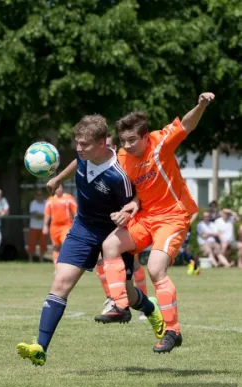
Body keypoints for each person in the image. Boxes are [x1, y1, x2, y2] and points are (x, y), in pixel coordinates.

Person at [17, 114, 164, 366]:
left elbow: (136, 206)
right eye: (77, 142)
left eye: (84, 144)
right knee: (61, 282)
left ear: (101, 144)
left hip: (114, 235)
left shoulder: (119, 175)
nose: (78, 148)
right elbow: (76, 163)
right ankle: (40, 347)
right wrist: (58, 178)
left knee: (127, 296)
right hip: (83, 229)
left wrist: (125, 214)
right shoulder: (84, 157)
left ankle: (150, 309)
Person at [94, 92, 215, 354]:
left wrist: (201, 105)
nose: (126, 146)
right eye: (123, 141)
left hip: (173, 215)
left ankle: (173, 331)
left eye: (132, 140)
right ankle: (120, 305)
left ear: (145, 136)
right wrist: (132, 206)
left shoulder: (161, 143)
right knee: (109, 245)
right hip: (146, 217)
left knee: (156, 269)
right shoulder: (122, 160)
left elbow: (187, 124)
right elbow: (133, 191)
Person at [96, 133, 149, 318]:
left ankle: (145, 302)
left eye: (110, 145)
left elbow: (140, 192)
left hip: (129, 222)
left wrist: (127, 211)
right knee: (101, 261)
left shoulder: (125, 165)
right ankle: (112, 297)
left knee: (133, 265)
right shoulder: (97, 166)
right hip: (106, 221)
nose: (107, 149)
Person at [43, 183, 77, 268]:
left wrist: (77, 224)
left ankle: (66, 265)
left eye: (59, 187)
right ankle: (56, 267)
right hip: (54, 227)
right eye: (56, 188)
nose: (58, 189)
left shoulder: (68, 198)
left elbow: (75, 211)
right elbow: (47, 214)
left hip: (66, 225)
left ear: (63, 188)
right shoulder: (50, 200)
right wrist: (45, 225)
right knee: (56, 246)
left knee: (65, 243)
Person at [28, 189, 47, 262]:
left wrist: (40, 215)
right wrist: (42, 215)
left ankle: (41, 259)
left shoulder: (46, 202)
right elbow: (33, 214)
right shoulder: (33, 203)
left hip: (43, 227)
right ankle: (30, 259)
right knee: (32, 243)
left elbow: (47, 214)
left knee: (43, 244)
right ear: (35, 196)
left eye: (41, 195)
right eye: (38, 195)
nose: (39, 196)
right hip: (34, 226)